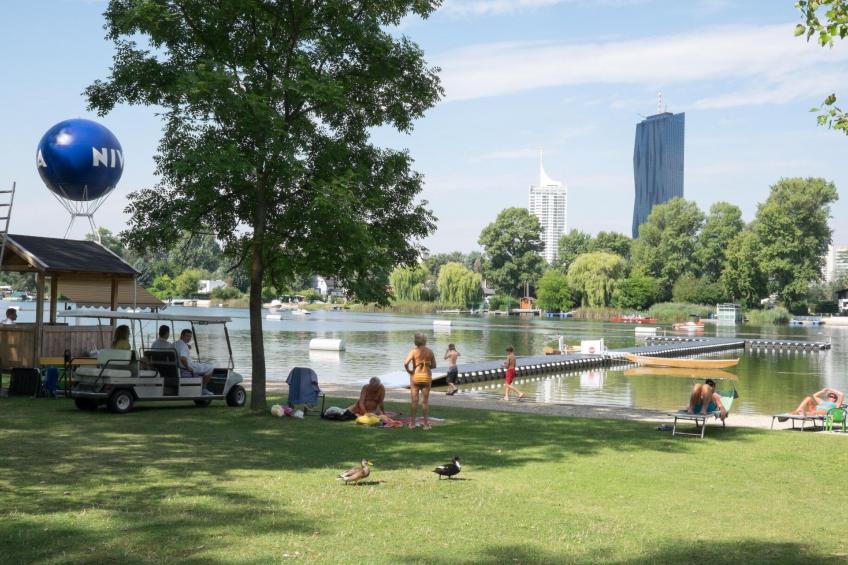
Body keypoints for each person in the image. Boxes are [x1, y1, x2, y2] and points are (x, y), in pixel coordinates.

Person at [404, 332, 436, 430]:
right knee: (425, 402)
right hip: (426, 376)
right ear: (425, 340)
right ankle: (426, 424)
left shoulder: (413, 351)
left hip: (415, 377)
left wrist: (410, 371)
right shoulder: (430, 351)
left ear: (416, 341)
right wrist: (426, 365)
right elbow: (434, 366)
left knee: (414, 401)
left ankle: (412, 424)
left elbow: (406, 363)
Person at [175, 328, 215, 394]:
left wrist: (187, 347)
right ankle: (203, 389)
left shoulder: (175, 344)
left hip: (180, 366)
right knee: (211, 368)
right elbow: (183, 358)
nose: (189, 338)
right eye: (187, 336)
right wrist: (188, 367)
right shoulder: (184, 346)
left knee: (203, 364)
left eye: (190, 336)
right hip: (188, 366)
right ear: (182, 335)